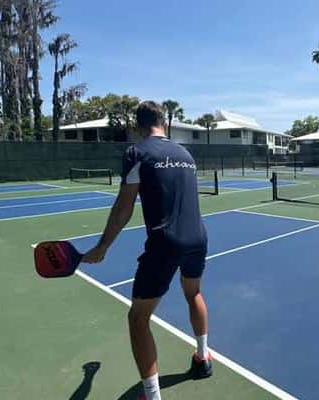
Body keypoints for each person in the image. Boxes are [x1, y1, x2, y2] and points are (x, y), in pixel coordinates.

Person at [82, 101, 212, 400]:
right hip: (198, 238)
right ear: (163, 122)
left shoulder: (136, 152)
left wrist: (103, 246)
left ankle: (152, 397)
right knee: (193, 293)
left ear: (138, 126)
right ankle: (203, 359)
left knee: (138, 319)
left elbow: (123, 207)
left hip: (165, 243)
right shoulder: (185, 154)